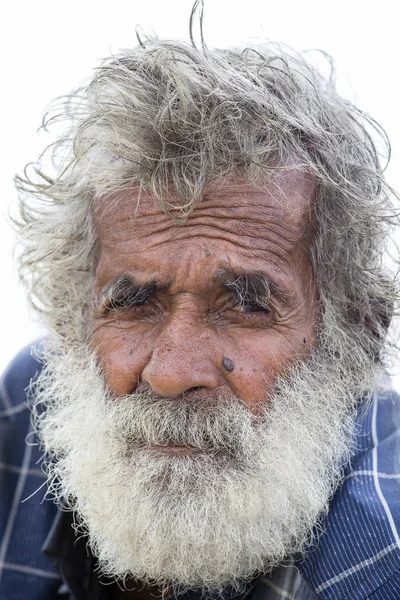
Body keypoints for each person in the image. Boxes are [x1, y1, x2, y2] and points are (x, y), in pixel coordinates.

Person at [1, 22, 400, 600]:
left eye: (246, 307)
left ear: (357, 342)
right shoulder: (22, 415)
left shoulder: (381, 563)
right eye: (134, 303)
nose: (171, 372)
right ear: (75, 326)